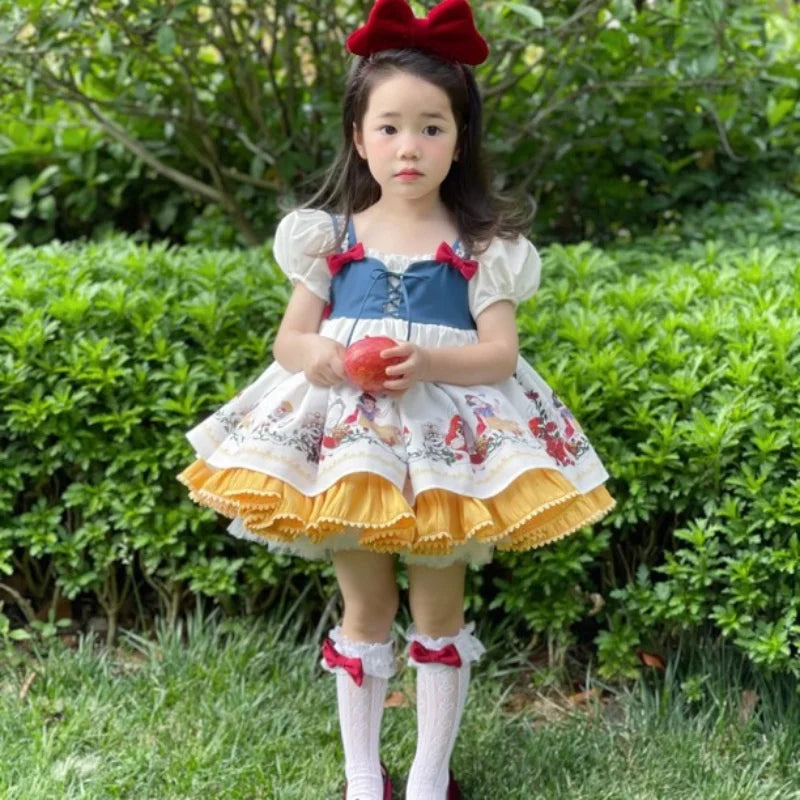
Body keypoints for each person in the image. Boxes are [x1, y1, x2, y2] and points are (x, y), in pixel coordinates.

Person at [177, 0, 616, 797]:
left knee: (439, 609)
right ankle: (361, 776)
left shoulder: (480, 246)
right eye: (389, 127)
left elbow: (499, 353)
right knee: (365, 604)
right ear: (358, 137)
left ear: (460, 140)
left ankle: (427, 776)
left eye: (431, 127)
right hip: (353, 453)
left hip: (446, 456)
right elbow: (290, 341)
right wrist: (323, 355)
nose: (409, 145)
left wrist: (431, 361)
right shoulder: (332, 239)